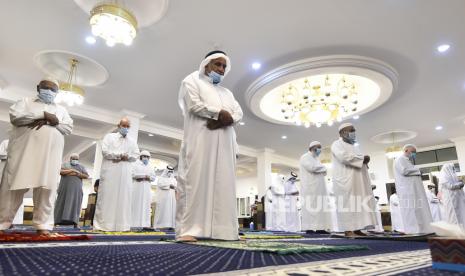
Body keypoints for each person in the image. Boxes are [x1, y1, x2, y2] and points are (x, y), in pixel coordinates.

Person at [176, 50, 243, 242]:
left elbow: (238, 113)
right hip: (201, 140)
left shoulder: (227, 92)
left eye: (224, 66)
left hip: (225, 142)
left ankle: (224, 231)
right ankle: (188, 230)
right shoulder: (192, 80)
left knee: (224, 183)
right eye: (217, 64)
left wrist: (224, 120)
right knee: (196, 181)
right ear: (206, 64)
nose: (221, 69)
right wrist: (218, 114)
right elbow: (194, 106)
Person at [0, 78, 73, 235]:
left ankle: (43, 226)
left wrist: (54, 121)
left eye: (53, 89)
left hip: (50, 156)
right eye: (46, 88)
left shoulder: (62, 110)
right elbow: (16, 117)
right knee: (13, 187)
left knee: (46, 190)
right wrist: (44, 114)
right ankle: (2, 223)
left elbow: (68, 127)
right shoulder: (24, 102)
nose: (49, 91)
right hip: (24, 152)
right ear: (38, 87)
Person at [331, 123, 377, 237]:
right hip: (346, 180)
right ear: (342, 133)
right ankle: (348, 229)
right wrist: (362, 159)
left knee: (360, 203)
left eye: (354, 130)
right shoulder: (336, 144)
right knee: (348, 204)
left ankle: (357, 228)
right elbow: (344, 157)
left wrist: (364, 161)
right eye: (351, 130)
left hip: (358, 180)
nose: (354, 132)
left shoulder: (354, 145)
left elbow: (359, 161)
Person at [93, 118, 140, 231]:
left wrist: (127, 157)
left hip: (125, 173)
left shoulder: (132, 141)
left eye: (128, 126)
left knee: (123, 198)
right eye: (124, 125)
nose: (126, 128)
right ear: (118, 126)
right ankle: (103, 225)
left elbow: (136, 154)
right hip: (110, 171)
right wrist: (119, 155)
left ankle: (121, 226)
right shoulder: (110, 137)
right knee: (107, 197)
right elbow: (105, 152)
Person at [393, 144, 433, 234]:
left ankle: (421, 229)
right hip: (408, 191)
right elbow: (404, 171)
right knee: (411, 210)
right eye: (413, 152)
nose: (414, 154)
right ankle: (413, 230)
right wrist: (418, 170)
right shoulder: (400, 159)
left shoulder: (407, 160)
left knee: (417, 209)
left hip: (413, 190)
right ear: (406, 150)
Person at [300, 141, 332, 233]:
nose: (319, 150)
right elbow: (312, 168)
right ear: (311, 148)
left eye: (320, 147)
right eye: (318, 147)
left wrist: (322, 168)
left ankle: (320, 228)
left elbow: (322, 171)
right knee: (310, 208)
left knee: (320, 207)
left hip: (319, 188)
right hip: (309, 188)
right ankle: (309, 228)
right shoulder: (305, 157)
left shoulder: (316, 159)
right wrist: (324, 168)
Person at [54, 153, 89, 228]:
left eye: (76, 159)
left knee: (75, 204)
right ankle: (56, 221)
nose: (75, 160)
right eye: (74, 158)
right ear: (70, 158)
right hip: (64, 189)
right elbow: (60, 172)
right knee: (61, 203)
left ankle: (75, 223)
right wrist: (71, 170)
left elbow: (86, 176)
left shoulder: (81, 166)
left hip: (76, 191)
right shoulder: (65, 164)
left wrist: (77, 174)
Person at [131, 150, 155, 228]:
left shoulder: (150, 166)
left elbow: (153, 177)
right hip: (137, 187)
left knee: (145, 205)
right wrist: (144, 176)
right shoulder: (135, 164)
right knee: (136, 204)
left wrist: (148, 177)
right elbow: (132, 174)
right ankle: (134, 224)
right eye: (144, 156)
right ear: (141, 157)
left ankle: (145, 224)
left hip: (147, 188)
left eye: (147, 157)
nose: (146, 158)